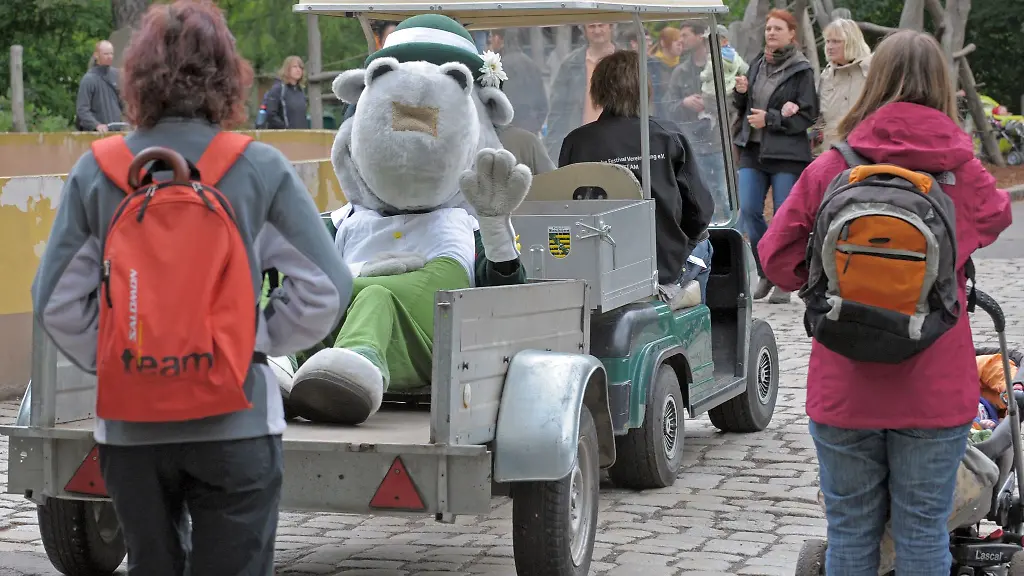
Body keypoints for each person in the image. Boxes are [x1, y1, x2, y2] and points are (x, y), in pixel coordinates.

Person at [31, 2, 352, 574]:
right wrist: (250, 340)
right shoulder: (257, 168)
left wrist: (120, 355)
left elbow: (54, 301)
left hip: (131, 429)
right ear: (228, 78)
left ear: (135, 79)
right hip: (238, 421)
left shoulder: (97, 171)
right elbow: (326, 285)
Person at [757, 30, 1013, 575]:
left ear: (874, 84)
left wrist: (833, 276)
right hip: (934, 385)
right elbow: (996, 218)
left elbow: (775, 256)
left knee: (851, 537)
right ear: (943, 88)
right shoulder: (960, 171)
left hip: (844, 383)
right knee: (924, 534)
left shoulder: (834, 167)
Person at [558, 50, 715, 303]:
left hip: (597, 267)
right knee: (705, 245)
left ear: (598, 90)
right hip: (661, 267)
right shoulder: (669, 137)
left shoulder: (576, 142)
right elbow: (700, 211)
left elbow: (564, 206)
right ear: (644, 89)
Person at [732, 9, 818, 304]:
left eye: (777, 28)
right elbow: (743, 107)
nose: (771, 33)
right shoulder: (758, 63)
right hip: (753, 151)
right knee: (749, 212)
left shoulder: (801, 69)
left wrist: (771, 119)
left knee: (784, 218)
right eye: (768, 28)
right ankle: (766, 270)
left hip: (787, 156)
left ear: (791, 34)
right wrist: (741, 92)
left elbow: (808, 114)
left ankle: (785, 278)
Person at [543, 22, 617, 159]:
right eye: (592, 26)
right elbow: (557, 111)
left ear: (611, 26)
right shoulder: (570, 64)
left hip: (618, 143)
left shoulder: (625, 62)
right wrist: (553, 151)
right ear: (584, 30)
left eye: (601, 25)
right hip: (582, 144)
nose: (597, 30)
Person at [815, 18, 872, 149]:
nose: (829, 46)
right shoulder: (827, 75)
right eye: (828, 41)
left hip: (864, 148)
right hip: (832, 149)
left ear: (852, 42)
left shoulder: (873, 69)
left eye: (836, 41)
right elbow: (822, 118)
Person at [487, 29, 550, 135]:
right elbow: (543, 106)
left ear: (497, 39)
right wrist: (534, 126)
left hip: (507, 135)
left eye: (490, 39)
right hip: (531, 132)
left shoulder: (498, 68)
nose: (489, 44)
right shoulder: (531, 64)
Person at [75, 40, 123, 133]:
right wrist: (96, 125)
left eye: (111, 54)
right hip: (97, 133)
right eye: (106, 54)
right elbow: (82, 109)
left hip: (116, 131)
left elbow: (123, 103)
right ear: (96, 55)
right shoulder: (89, 79)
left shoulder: (117, 75)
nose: (110, 57)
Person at [260, 55, 308, 130]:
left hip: (300, 136)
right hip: (283, 136)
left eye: (300, 67)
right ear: (287, 69)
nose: (298, 70)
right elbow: (271, 115)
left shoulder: (300, 91)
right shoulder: (278, 89)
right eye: (294, 67)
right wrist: (286, 128)